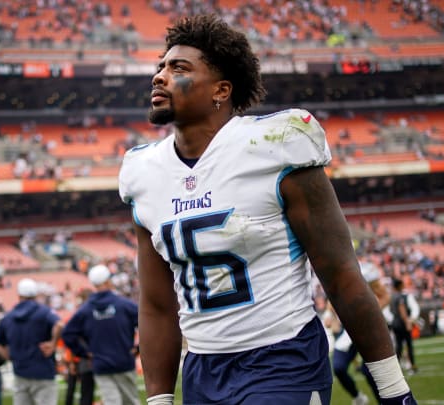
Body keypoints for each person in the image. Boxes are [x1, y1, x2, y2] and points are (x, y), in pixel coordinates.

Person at [118, 13, 416, 405]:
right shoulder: (144, 172)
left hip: (283, 357)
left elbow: (341, 275)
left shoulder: (275, 144)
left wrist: (393, 389)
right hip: (202, 371)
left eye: (178, 68)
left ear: (221, 90)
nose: (159, 76)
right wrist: (158, 400)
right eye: (160, 67)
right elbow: (157, 305)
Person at [61, 265, 140, 405]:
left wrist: (84, 353)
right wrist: (139, 348)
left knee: (111, 402)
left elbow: (68, 334)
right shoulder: (124, 305)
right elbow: (146, 324)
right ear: (108, 281)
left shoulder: (85, 310)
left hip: (100, 364)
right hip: (124, 361)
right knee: (130, 402)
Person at [325, 261, 390, 405]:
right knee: (338, 368)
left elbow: (385, 295)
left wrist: (371, 312)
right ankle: (357, 396)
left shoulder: (366, 271)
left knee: (370, 372)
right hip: (348, 330)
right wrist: (329, 315)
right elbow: (333, 297)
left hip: (370, 329)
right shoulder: (340, 271)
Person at [0, 277, 63, 405]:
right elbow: (59, 324)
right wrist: (53, 343)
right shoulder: (44, 311)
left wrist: (9, 357)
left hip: (20, 371)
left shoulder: (8, 317)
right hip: (43, 371)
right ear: (35, 294)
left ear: (19, 295)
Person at [389, 278, 418, 375]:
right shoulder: (401, 297)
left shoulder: (391, 297)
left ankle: (396, 368)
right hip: (401, 323)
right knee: (408, 345)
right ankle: (412, 366)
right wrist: (407, 322)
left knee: (399, 346)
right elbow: (403, 311)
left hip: (395, 322)